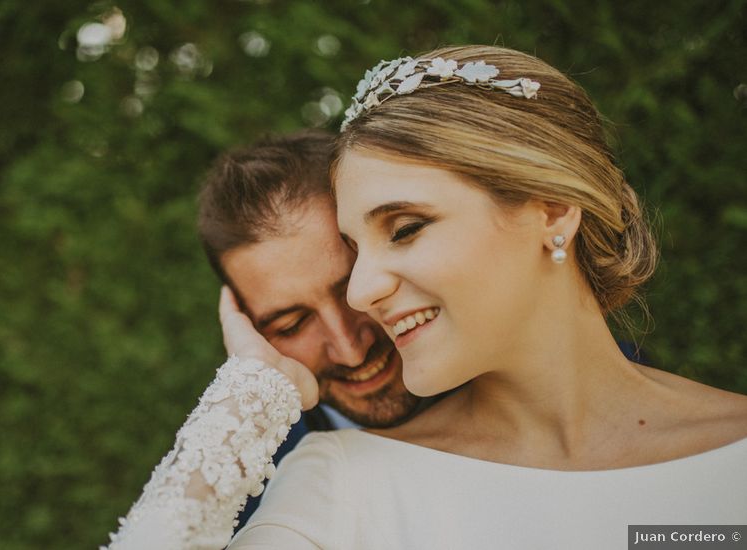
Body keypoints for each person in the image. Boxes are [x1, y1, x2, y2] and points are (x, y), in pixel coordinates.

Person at [227, 45, 747, 548]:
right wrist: (242, 399)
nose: (361, 293)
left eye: (405, 229)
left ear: (553, 209)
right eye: (355, 250)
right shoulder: (339, 484)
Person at [102, 132, 428, 550]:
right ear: (246, 325)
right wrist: (252, 381)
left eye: (353, 288)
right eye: (292, 325)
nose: (350, 347)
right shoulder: (258, 498)